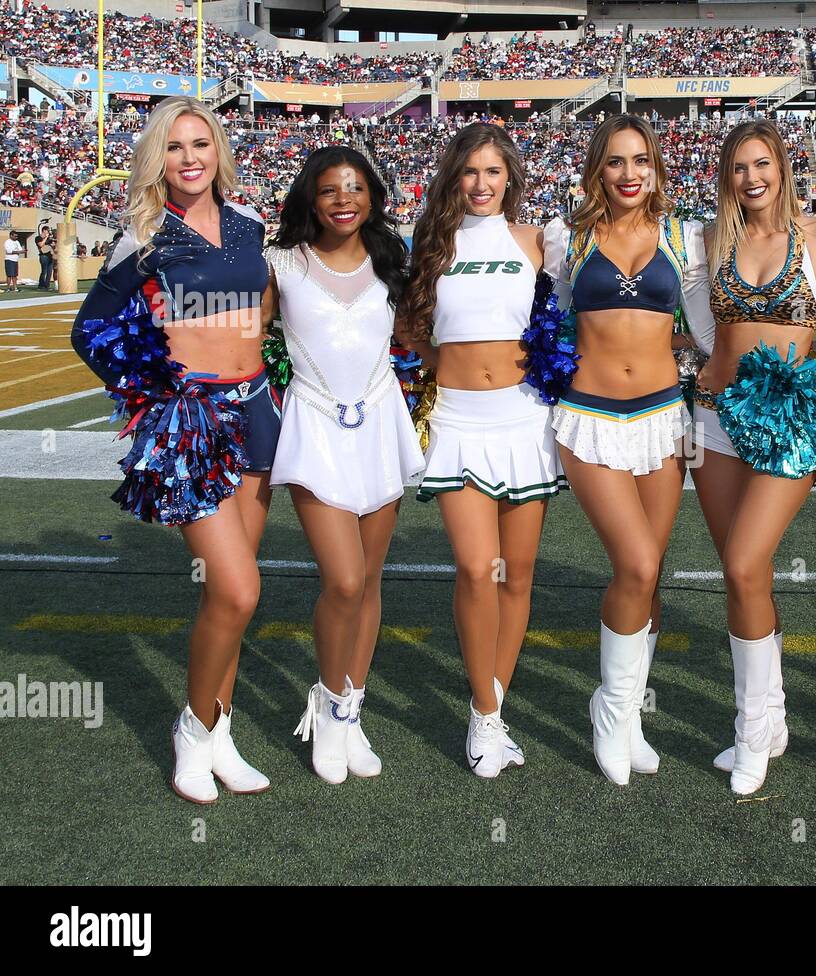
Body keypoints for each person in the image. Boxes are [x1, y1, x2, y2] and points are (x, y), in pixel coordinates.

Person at [70, 96, 278, 805]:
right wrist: (154, 392)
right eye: (175, 147)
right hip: (191, 423)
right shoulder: (146, 236)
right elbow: (90, 331)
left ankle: (220, 734)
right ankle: (192, 729)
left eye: (201, 144)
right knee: (237, 586)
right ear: (157, 159)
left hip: (257, 414)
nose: (190, 158)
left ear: (218, 149)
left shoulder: (251, 228)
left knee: (238, 598)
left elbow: (264, 318)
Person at [541, 114, 710, 786]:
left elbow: (702, 329)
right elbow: (547, 320)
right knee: (635, 563)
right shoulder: (568, 237)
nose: (630, 173)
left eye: (641, 160)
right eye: (615, 162)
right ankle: (610, 711)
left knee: (652, 573)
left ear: (656, 167)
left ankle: (632, 713)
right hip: (589, 416)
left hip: (663, 418)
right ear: (597, 172)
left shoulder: (683, 237)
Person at [689, 120, 816, 795]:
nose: (752, 177)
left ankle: (751, 732)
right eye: (738, 168)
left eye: (762, 164)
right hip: (715, 416)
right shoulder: (711, 239)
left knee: (744, 561)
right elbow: (694, 322)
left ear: (784, 168)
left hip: (789, 418)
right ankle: (774, 716)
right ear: (726, 177)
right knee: (742, 578)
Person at [396, 123, 565, 779]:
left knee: (516, 575)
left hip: (524, 419)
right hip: (461, 419)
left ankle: (490, 711)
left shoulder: (534, 241)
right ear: (453, 178)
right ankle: (485, 709)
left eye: (493, 172)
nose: (481, 184)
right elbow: (411, 325)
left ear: (510, 180)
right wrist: (453, 369)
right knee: (476, 568)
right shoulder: (435, 244)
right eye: (470, 171)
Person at [264, 146, 425, 785]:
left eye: (355, 188)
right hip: (314, 428)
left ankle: (351, 710)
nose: (343, 200)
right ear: (311, 198)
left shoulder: (391, 263)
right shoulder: (279, 263)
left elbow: (424, 338)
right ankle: (329, 706)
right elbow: (242, 338)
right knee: (345, 581)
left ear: (372, 198)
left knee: (373, 581)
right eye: (329, 190)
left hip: (380, 424)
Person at [36, 224, 55, 290]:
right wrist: (46, 238)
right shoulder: (38, 238)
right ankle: (41, 285)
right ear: (44, 230)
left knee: (49, 272)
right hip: (43, 256)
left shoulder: (49, 238)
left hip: (50, 256)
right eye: (47, 230)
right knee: (44, 271)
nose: (48, 232)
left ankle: (47, 285)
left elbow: (53, 245)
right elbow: (40, 245)